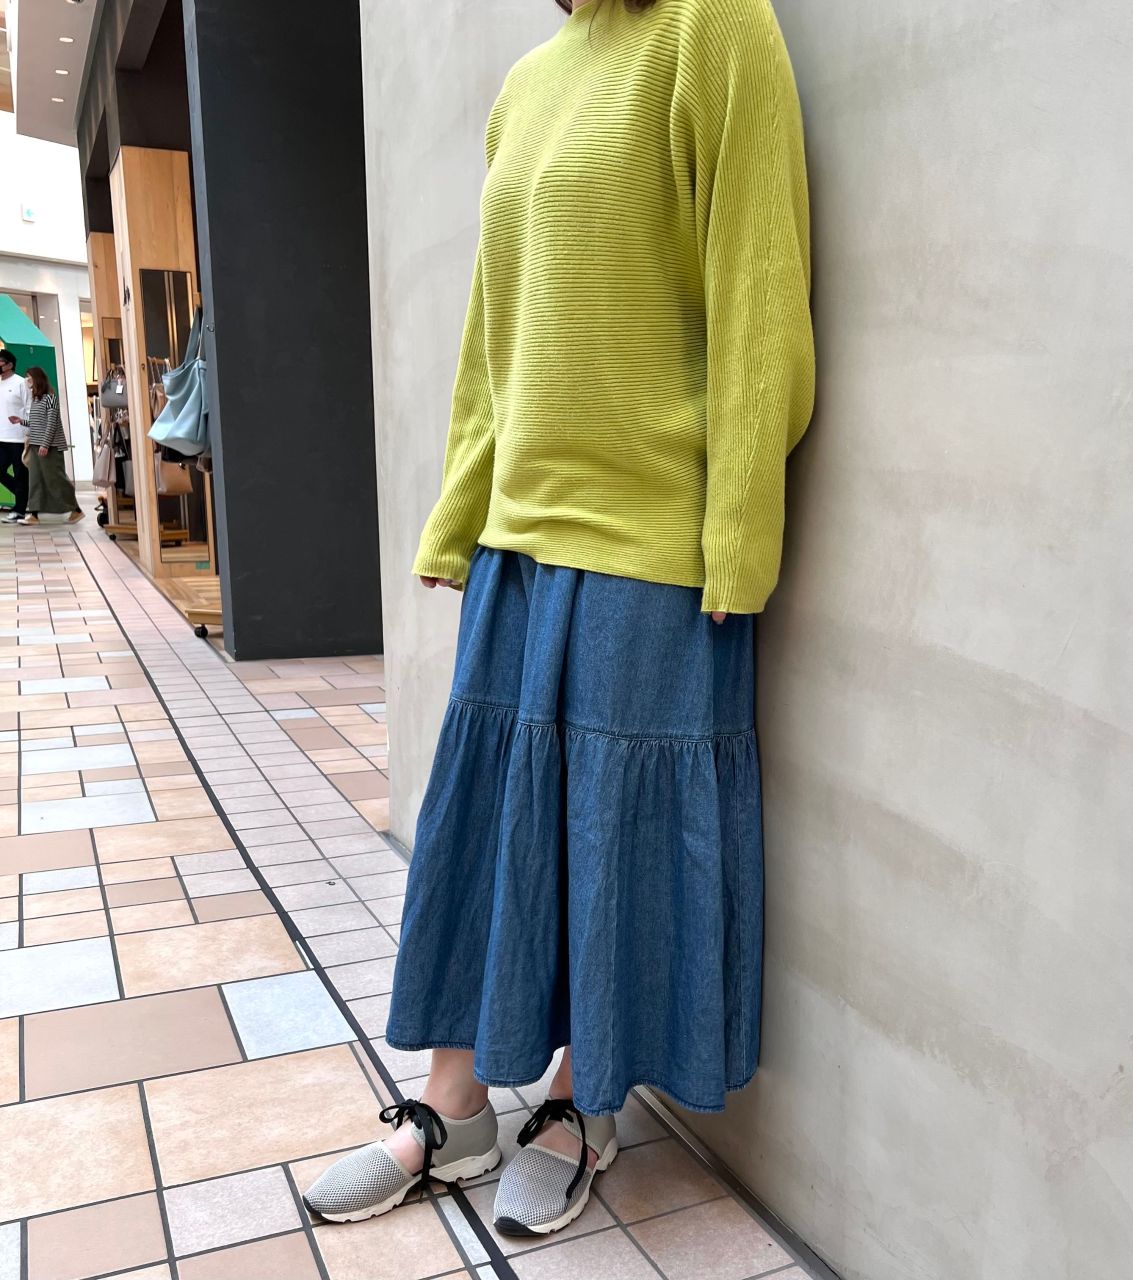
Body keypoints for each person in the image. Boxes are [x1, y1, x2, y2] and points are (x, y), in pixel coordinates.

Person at [304, 0, 815, 1238]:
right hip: (519, 541)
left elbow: (758, 295)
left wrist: (738, 537)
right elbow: (495, 335)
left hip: (650, 546)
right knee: (485, 830)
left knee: (610, 840)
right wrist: (458, 514)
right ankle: (452, 1106)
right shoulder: (526, 84)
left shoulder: (712, 27)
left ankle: (583, 1107)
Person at [14, 368, 82, 525]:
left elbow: (51, 423)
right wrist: (21, 421)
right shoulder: (36, 399)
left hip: (49, 447)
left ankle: (76, 510)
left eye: (29, 378)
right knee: (35, 480)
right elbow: (37, 423)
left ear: (37, 379)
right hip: (35, 445)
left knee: (56, 479)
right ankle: (34, 515)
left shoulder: (50, 398)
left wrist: (45, 444)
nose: (27, 381)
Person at [0, 349, 31, 523]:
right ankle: (25, 497)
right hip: (1, 438)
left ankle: (19, 510)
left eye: (0, 361)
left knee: (21, 475)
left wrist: (28, 432)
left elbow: (29, 408)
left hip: (18, 438)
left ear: (10, 365)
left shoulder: (21, 383)